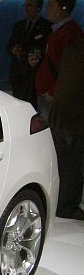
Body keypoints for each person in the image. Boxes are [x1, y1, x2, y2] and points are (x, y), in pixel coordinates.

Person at [33, 0, 84, 121]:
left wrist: (53, 92)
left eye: (50, 4)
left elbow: (72, 69)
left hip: (54, 97)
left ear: (63, 7)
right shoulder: (57, 31)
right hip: (48, 94)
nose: (46, 8)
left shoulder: (71, 33)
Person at [48, 38, 84, 220]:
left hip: (60, 114)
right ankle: (67, 207)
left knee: (61, 163)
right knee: (73, 166)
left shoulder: (72, 47)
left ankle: (56, 203)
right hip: (76, 118)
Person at [6, 0, 52, 106]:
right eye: (25, 5)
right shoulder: (18, 26)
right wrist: (13, 50)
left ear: (38, 7)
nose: (26, 8)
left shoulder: (47, 26)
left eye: (30, 5)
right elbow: (9, 46)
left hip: (35, 74)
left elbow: (46, 49)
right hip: (18, 74)